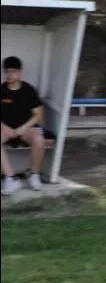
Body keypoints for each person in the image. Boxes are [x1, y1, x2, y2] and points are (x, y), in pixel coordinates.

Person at [1, 56, 46, 195]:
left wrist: (23, 128)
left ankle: (33, 174)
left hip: (26, 129)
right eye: (7, 71)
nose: (10, 74)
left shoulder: (28, 90)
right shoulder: (1, 90)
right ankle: (10, 179)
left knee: (39, 140)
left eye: (13, 71)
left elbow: (38, 114)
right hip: (6, 129)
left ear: (20, 72)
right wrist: (4, 127)